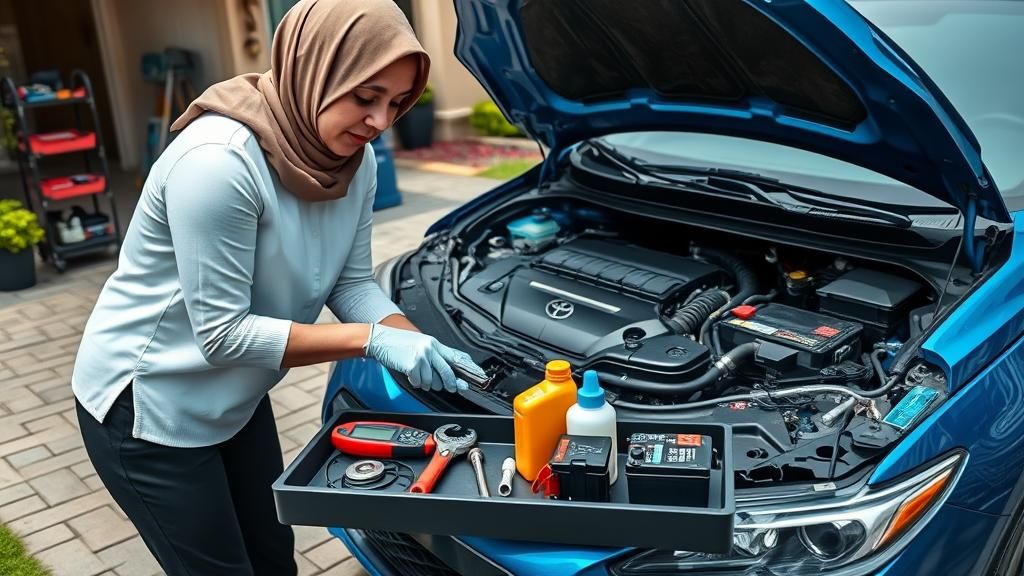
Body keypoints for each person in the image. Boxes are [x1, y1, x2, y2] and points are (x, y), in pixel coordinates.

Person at [70, 1, 486, 574]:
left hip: (236, 396)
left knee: (273, 558)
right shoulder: (219, 164)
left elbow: (354, 281)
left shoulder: (355, 162)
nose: (380, 121)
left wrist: (416, 344)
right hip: (149, 405)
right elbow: (220, 334)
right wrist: (369, 341)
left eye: (396, 103)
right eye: (365, 96)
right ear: (314, 69)